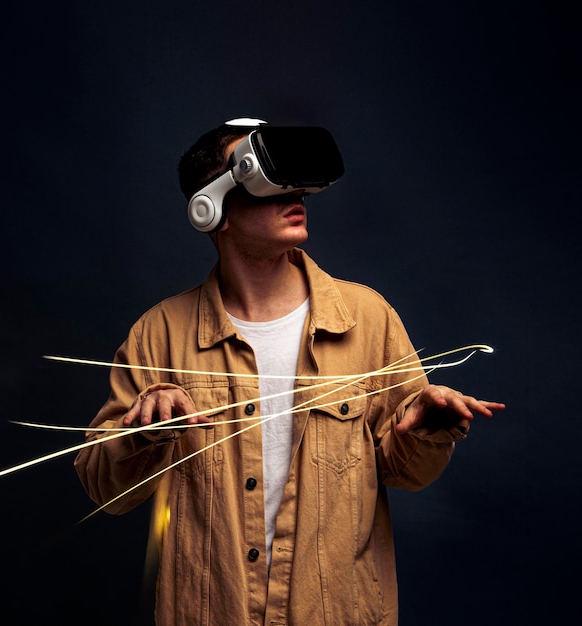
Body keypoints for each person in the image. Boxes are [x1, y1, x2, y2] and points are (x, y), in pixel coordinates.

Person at [74, 118, 505, 626]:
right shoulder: (159, 334)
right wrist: (140, 436)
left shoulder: (367, 318)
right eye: (265, 179)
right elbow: (105, 491)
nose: (294, 191)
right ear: (212, 208)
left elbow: (402, 472)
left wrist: (428, 431)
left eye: (296, 179)